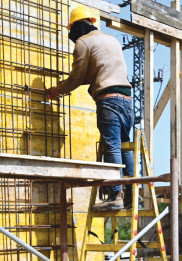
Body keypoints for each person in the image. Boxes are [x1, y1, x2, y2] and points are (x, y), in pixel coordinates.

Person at [45, 6, 134, 211]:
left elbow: (76, 78)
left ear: (76, 26)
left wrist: (56, 90)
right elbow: (98, 70)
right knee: (124, 144)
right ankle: (131, 195)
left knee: (112, 146)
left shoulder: (83, 42)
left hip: (108, 100)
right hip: (126, 99)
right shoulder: (111, 40)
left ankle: (115, 195)